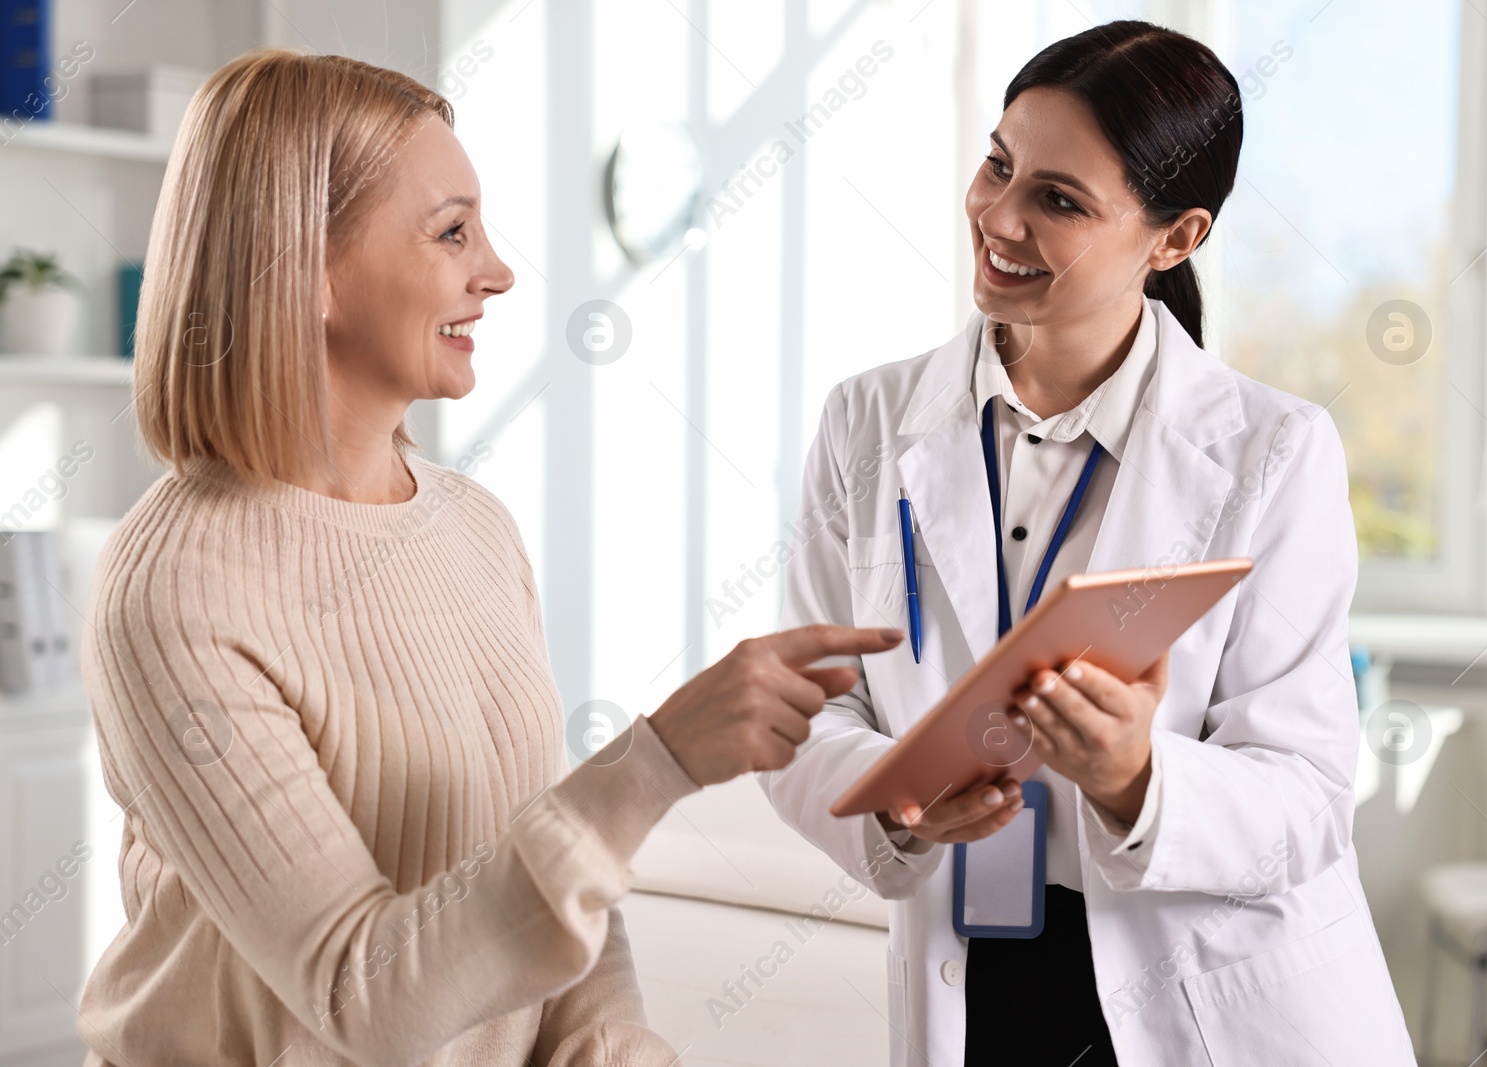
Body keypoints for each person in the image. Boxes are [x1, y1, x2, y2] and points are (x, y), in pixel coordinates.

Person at [76, 48, 901, 1067]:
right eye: (450, 230)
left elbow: (542, 874)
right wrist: (658, 761)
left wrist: (614, 1043)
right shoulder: (176, 587)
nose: (498, 270)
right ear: (308, 268)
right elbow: (364, 996)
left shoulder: (472, 525)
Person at [760, 20, 1415, 1066]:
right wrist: (899, 796)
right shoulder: (867, 421)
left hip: (1204, 993)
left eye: (1057, 200)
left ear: (1174, 238)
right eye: (997, 164)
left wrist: (1133, 775)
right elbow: (808, 704)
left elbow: (1306, 801)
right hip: (970, 974)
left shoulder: (1273, 450)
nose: (998, 217)